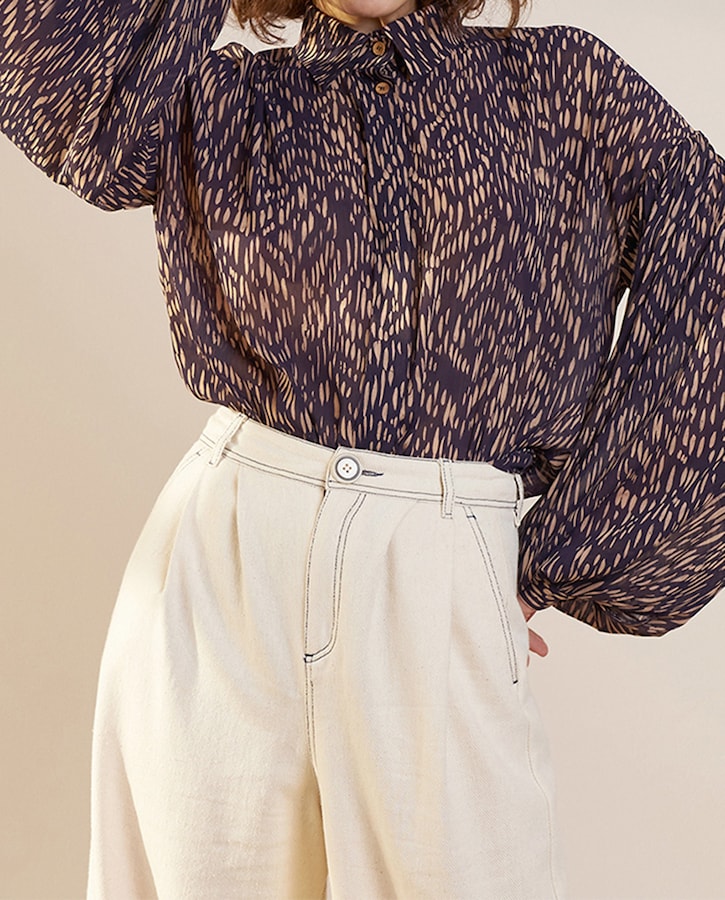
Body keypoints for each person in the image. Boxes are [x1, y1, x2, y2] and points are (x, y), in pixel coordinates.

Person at [1, 0, 723, 894]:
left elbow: (712, 258)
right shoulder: (217, 97)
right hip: (221, 570)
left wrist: (563, 556)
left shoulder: (565, 86)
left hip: (438, 564)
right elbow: (53, 78)